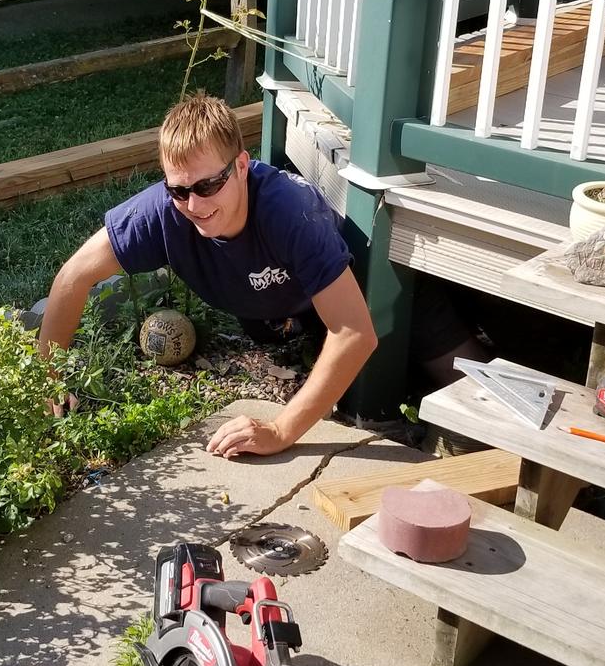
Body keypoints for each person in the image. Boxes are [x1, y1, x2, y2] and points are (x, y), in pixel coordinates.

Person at [37, 93, 379, 459]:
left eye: (208, 185)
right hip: (261, 309)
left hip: (339, 297)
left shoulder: (290, 213)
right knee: (268, 331)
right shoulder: (163, 211)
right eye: (178, 190)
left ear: (242, 166)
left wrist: (280, 430)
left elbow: (355, 333)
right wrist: (46, 382)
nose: (194, 205)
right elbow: (73, 275)